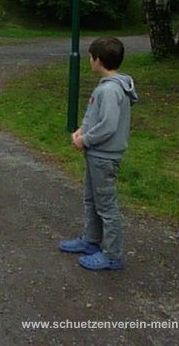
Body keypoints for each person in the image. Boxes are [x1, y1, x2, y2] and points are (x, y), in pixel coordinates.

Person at [59, 36, 138, 271]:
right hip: (96, 155)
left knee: (106, 206)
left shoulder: (111, 90)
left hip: (104, 157)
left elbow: (108, 125)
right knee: (91, 199)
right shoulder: (105, 87)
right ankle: (91, 240)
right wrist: (81, 130)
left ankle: (112, 255)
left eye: (91, 57)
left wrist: (85, 140)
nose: (89, 60)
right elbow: (94, 115)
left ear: (98, 60)